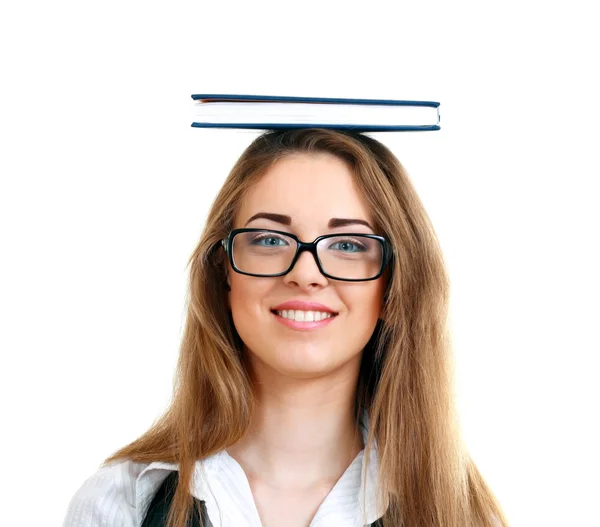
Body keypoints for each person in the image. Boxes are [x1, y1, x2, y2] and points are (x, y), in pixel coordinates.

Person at [63, 128, 508, 527]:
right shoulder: (124, 505)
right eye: (270, 239)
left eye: (349, 244)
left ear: (394, 288)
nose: (306, 273)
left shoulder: (459, 515)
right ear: (224, 274)